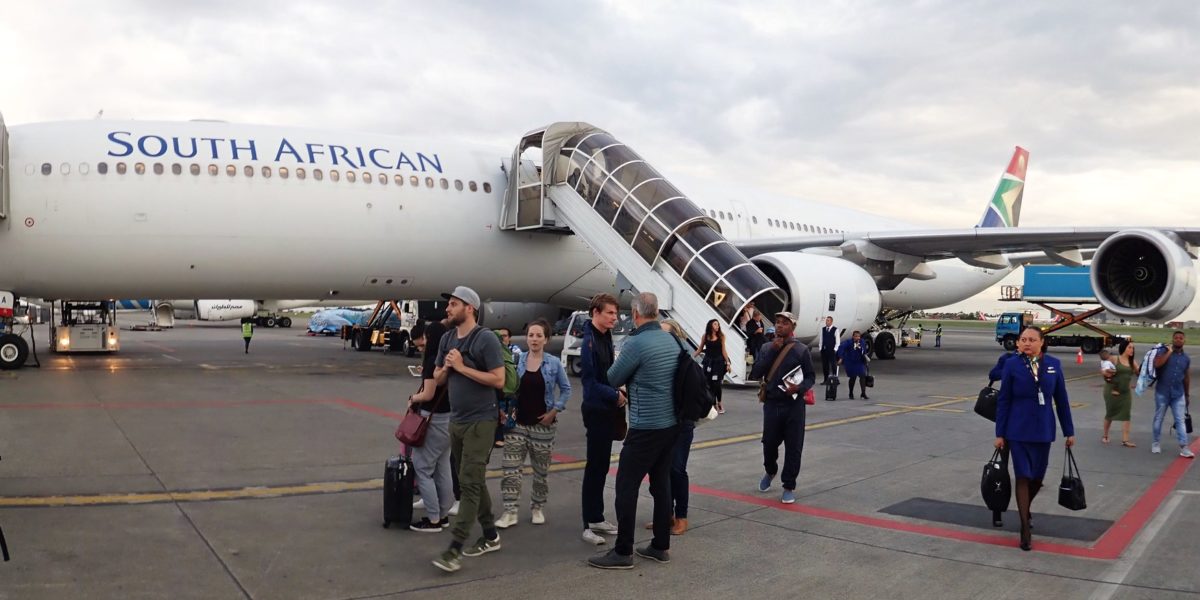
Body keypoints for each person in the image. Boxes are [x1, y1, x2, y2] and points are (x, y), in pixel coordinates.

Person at [588, 292, 679, 570]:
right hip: (671, 425)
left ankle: (623, 551)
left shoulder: (635, 343)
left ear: (636, 314)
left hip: (645, 426)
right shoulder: (671, 340)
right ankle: (660, 546)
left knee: (626, 486)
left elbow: (613, 377)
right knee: (661, 485)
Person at [431, 286, 507, 574]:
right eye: (448, 304)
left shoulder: (484, 339)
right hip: (457, 419)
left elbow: (498, 380)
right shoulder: (447, 338)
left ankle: (455, 548)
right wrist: (448, 369)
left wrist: (462, 368)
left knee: (469, 481)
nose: (447, 309)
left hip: (481, 420)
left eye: (453, 304)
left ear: (469, 308)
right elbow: (437, 379)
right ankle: (490, 535)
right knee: (471, 480)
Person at [994, 326, 1076, 551]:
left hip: (1043, 429)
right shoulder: (1011, 365)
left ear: (1042, 342)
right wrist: (999, 433)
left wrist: (1069, 430)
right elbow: (1004, 400)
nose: (1026, 343)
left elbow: (1062, 399)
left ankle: (1025, 508)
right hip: (1017, 429)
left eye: (1031, 339)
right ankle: (1024, 529)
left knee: (1037, 478)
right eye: (1023, 340)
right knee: (1022, 475)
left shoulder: (1053, 365)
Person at [495, 320, 571, 528]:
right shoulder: (516, 360)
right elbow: (506, 387)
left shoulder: (553, 363)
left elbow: (566, 389)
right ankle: (510, 511)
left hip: (543, 425)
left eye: (539, 335)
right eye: (531, 335)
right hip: (516, 423)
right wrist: (502, 410)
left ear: (546, 339)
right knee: (510, 469)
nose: (534, 339)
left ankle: (537, 506)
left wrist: (554, 410)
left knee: (541, 472)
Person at [749, 311, 816, 505]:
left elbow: (811, 376)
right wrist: (771, 352)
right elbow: (756, 373)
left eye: (784, 323)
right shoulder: (766, 347)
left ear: (792, 327)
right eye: (777, 322)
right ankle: (770, 471)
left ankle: (789, 486)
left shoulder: (801, 350)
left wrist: (800, 388)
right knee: (769, 443)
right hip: (772, 403)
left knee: (794, 447)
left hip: (794, 405)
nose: (779, 326)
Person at [578, 293, 623, 546]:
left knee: (602, 466)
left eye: (615, 314)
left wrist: (619, 389)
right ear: (596, 312)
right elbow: (590, 383)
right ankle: (588, 524)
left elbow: (608, 374)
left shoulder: (605, 336)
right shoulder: (589, 342)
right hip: (596, 409)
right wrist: (614, 394)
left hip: (607, 408)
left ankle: (596, 517)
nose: (615, 319)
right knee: (594, 467)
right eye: (610, 314)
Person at [407, 319, 456, 532]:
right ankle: (444, 514)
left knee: (422, 466)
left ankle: (433, 518)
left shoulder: (433, 363)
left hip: (433, 419)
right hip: (450, 418)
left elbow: (428, 393)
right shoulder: (451, 359)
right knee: (443, 467)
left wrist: (413, 398)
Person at [654, 319, 694, 536]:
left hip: (682, 421)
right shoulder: (664, 356)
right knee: (663, 469)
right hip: (664, 420)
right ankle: (666, 515)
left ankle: (681, 516)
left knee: (677, 469)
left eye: (665, 335)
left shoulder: (684, 358)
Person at [1150, 330, 1193, 458]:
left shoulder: (1186, 359)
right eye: (1176, 338)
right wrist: (1168, 352)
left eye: (1181, 338)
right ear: (1172, 339)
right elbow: (1157, 364)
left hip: (1178, 394)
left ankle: (1184, 447)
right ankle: (1156, 443)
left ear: (1184, 341)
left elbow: (1186, 377)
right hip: (1162, 392)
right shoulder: (1163, 352)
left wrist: (1187, 394)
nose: (1178, 340)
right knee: (1158, 418)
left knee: (1180, 420)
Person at [1102, 340, 1139, 448]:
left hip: (1125, 392)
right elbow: (1104, 370)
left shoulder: (1133, 362)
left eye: (1133, 348)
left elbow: (1139, 373)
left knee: (1126, 415)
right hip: (1112, 390)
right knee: (1110, 413)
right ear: (1123, 348)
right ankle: (1105, 435)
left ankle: (1125, 440)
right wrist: (1107, 372)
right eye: (1129, 347)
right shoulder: (1114, 359)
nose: (1132, 350)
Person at [695, 319, 730, 414]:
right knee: (708, 383)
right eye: (715, 324)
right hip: (708, 362)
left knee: (716, 383)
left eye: (718, 325)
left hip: (718, 363)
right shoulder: (705, 336)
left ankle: (719, 403)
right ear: (710, 325)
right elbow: (700, 349)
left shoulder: (721, 336)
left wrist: (728, 363)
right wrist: (691, 357)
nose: (717, 326)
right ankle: (712, 404)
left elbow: (724, 351)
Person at [837, 331, 871, 400]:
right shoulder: (848, 342)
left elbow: (863, 352)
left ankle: (863, 393)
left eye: (859, 336)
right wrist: (840, 357)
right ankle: (851, 393)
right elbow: (841, 348)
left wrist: (859, 347)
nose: (857, 338)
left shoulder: (862, 342)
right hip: (850, 362)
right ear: (853, 337)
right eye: (856, 336)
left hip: (859, 361)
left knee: (862, 375)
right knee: (853, 377)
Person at [819, 316, 838, 383]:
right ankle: (825, 379)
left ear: (831, 321)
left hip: (832, 350)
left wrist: (835, 349)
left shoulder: (835, 329)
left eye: (828, 320)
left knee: (833, 365)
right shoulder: (823, 329)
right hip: (824, 350)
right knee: (825, 366)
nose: (827, 322)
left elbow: (837, 341)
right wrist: (820, 348)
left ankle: (835, 379)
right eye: (826, 320)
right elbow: (821, 339)